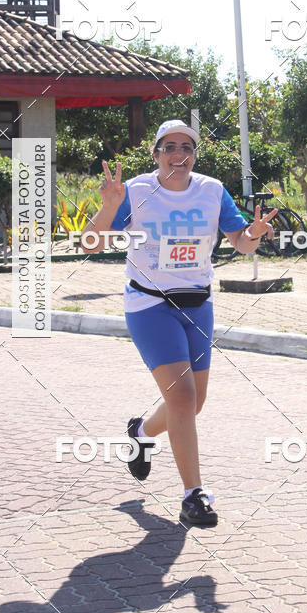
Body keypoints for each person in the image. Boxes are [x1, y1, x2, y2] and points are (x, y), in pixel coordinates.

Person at [80, 120, 277, 527]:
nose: (178, 154)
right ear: (156, 154)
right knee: (183, 399)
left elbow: (241, 242)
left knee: (192, 403)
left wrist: (255, 233)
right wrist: (110, 206)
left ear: (194, 155)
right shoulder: (135, 191)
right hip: (149, 305)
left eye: (186, 147)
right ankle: (193, 496)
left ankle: (141, 432)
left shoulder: (211, 190)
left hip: (198, 305)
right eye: (169, 146)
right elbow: (90, 244)